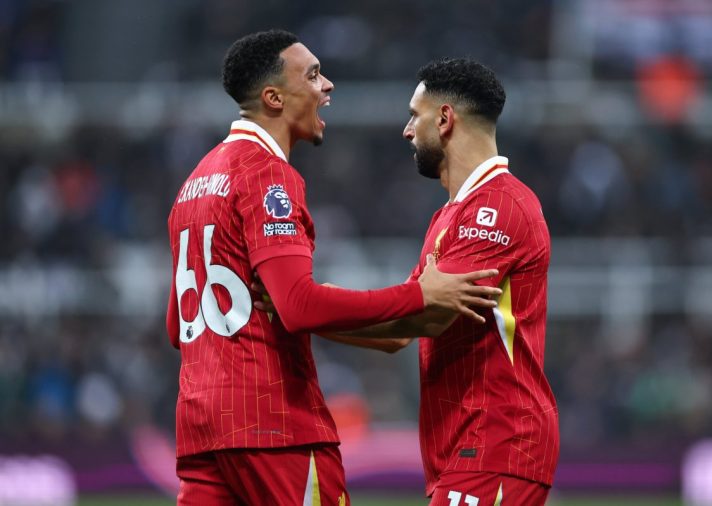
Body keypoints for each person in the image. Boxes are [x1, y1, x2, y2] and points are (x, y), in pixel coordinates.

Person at [165, 31, 502, 505]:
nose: (328, 87)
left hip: (201, 432)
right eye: (314, 75)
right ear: (274, 98)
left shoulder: (194, 184)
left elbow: (176, 327)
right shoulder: (266, 173)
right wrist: (421, 295)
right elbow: (299, 306)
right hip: (274, 425)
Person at [306, 58, 560, 505]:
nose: (407, 131)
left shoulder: (498, 207)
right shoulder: (449, 218)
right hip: (461, 449)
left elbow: (424, 315)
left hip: (496, 442)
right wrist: (299, 313)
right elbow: (396, 332)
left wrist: (303, 304)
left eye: (414, 115)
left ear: (444, 119)